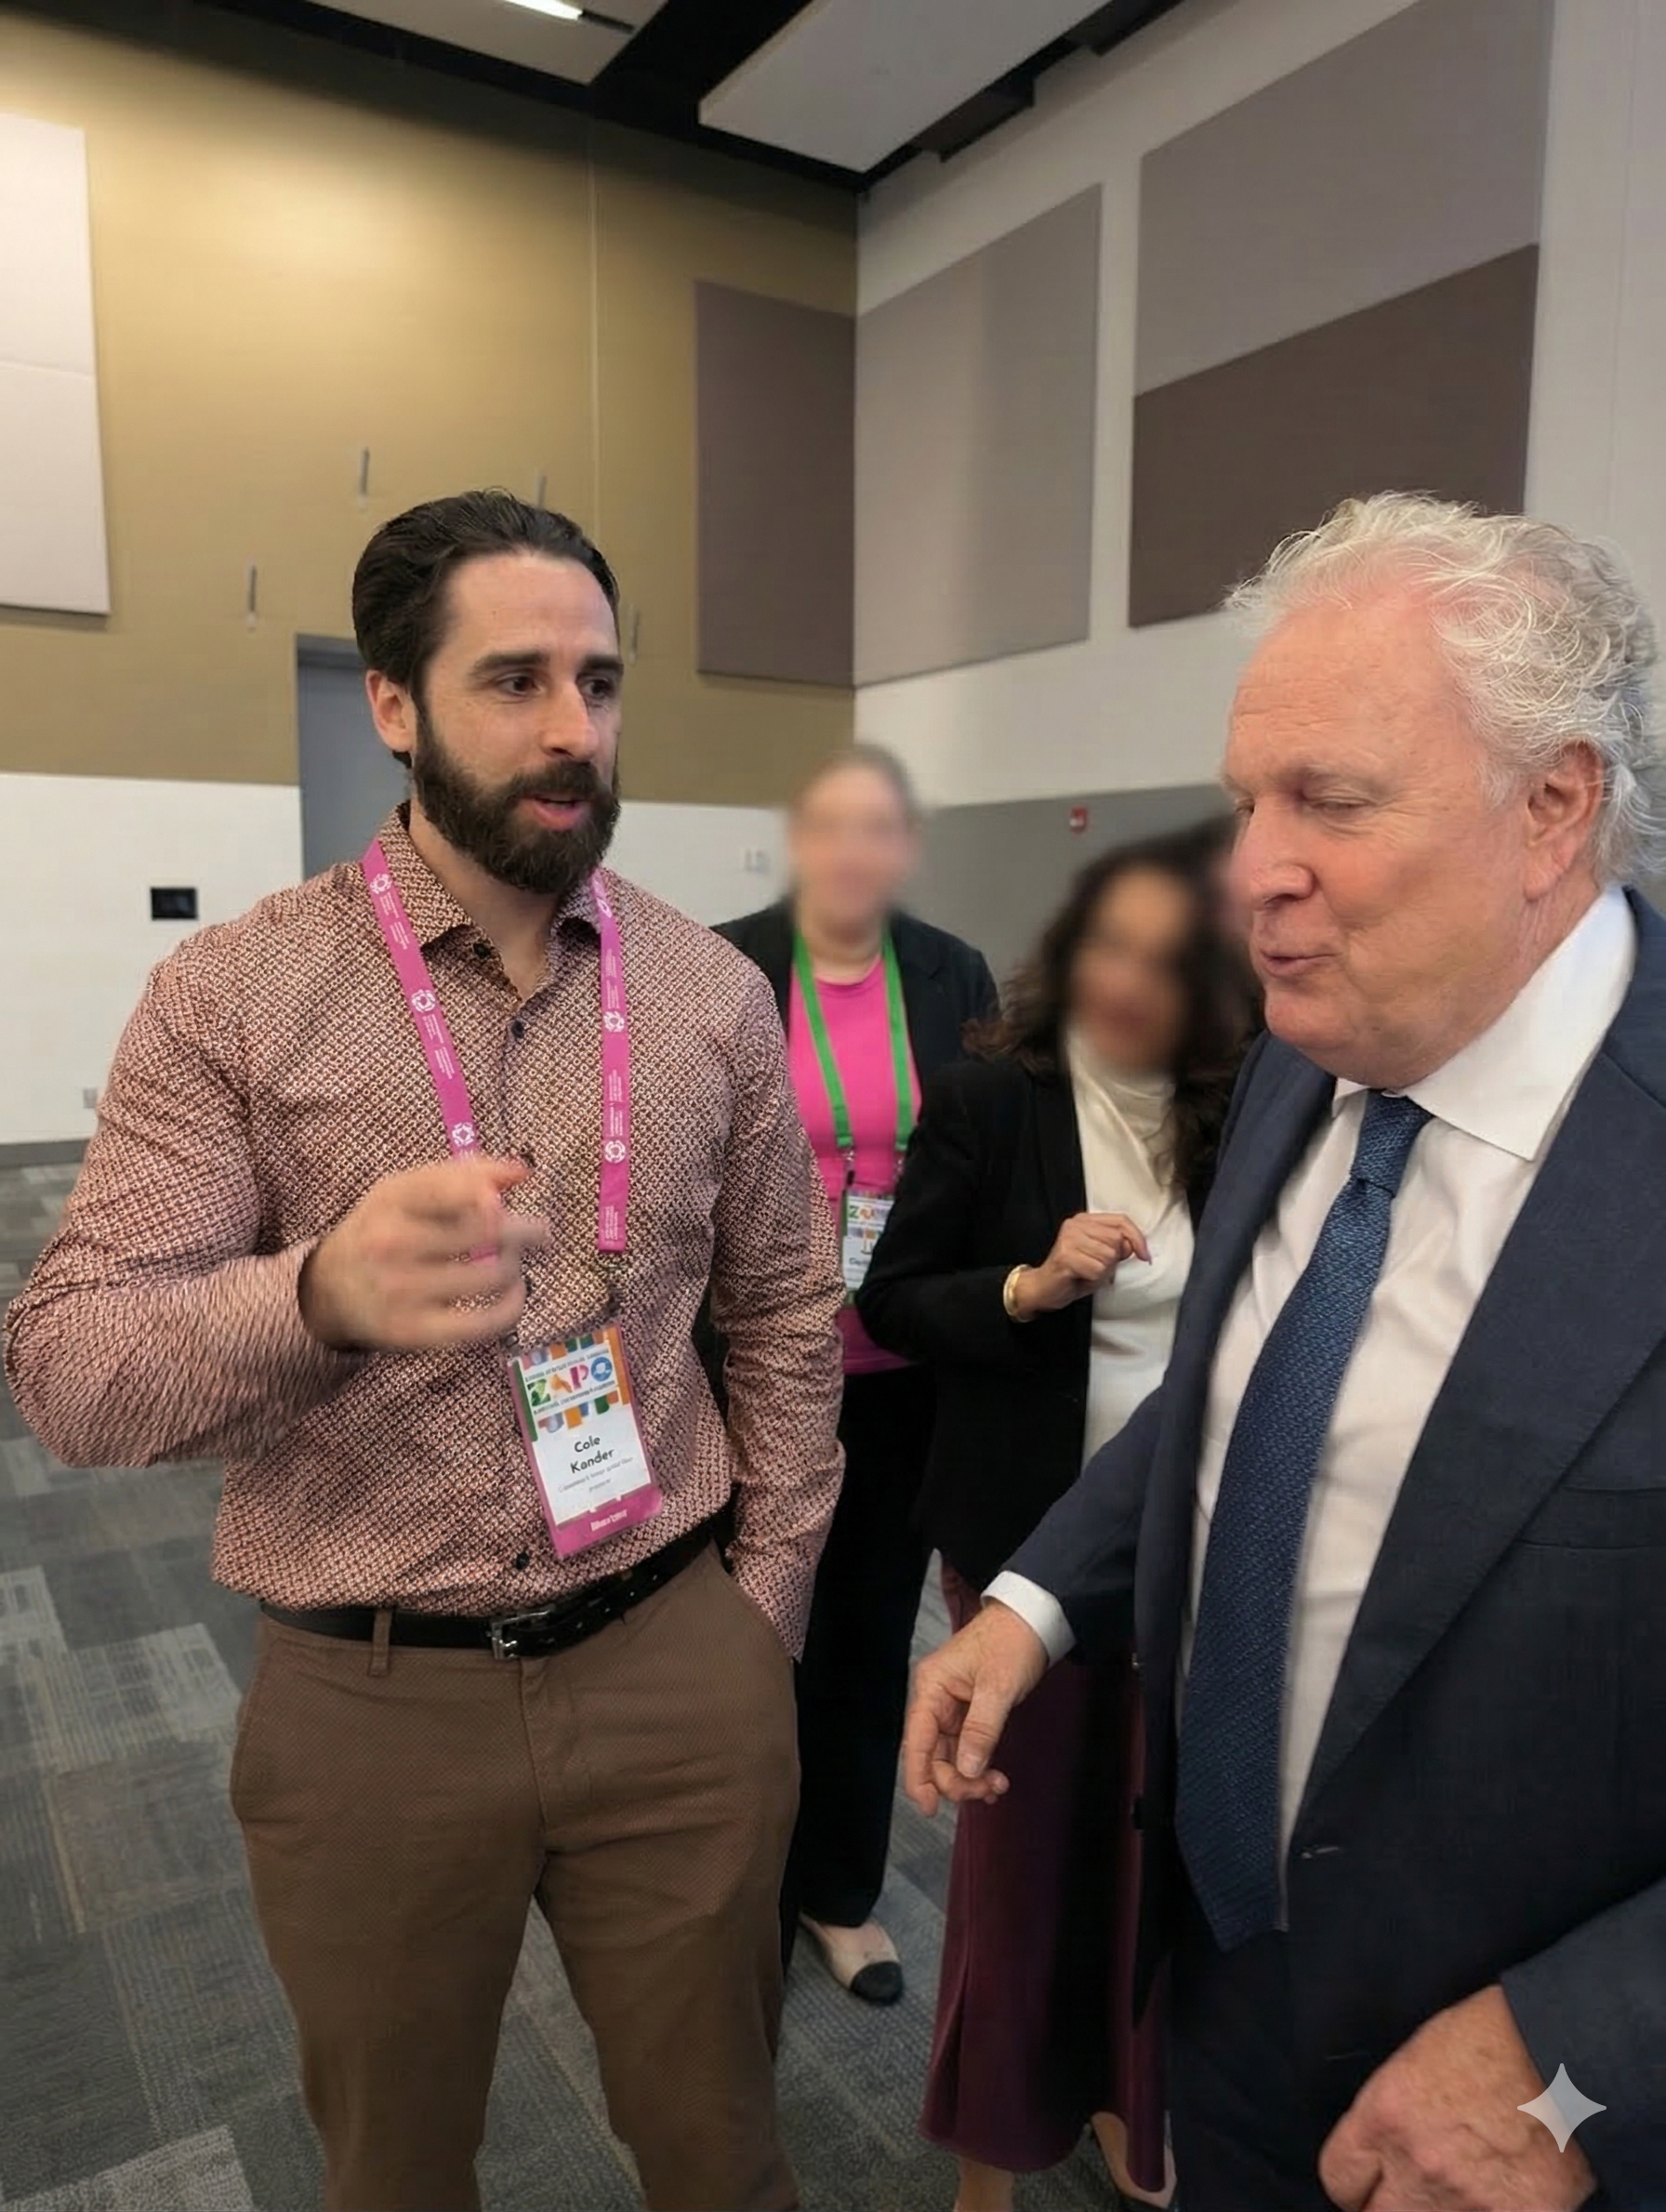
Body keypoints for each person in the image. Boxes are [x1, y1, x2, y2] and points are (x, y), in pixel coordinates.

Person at [5, 490, 846, 2212]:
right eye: (514, 680)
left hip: (675, 1651)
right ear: (393, 703)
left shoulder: (708, 997)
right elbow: (69, 1370)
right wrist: (310, 1295)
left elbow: (779, 1315)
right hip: (373, 1697)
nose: (571, 731)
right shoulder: (236, 995)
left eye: (600, 685)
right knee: (397, 2175)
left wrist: (763, 1617)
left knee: (725, 2154)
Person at [905, 493, 1666, 2212]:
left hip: (1529, 2133)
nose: (1249, 867)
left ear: (1554, 807)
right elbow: (1243, 1393)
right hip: (1219, 2000)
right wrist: (1034, 1604)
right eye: (1250, 798)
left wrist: (1582, 2052)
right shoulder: (1302, 1062)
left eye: (1327, 800)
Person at [858, 831, 1256, 2210]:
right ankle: (990, 2166)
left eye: (1167, 959)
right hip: (1026, 1546)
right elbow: (896, 1299)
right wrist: (1028, 1285)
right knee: (1023, 1875)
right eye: (1109, 948)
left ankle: (1115, 2109)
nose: (1131, 982)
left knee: (1149, 1860)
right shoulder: (992, 1099)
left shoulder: (1243, 1107)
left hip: (1187, 1554)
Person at [716, 745, 997, 2004]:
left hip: (898, 1368)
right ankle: (737, 1894)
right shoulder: (725, 967)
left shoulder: (953, 975)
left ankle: (839, 1893)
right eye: (831, 826)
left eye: (879, 828)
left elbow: (983, 1153)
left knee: (872, 1628)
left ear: (906, 847)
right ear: (798, 840)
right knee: (748, 1630)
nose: (853, 852)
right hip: (755, 1366)